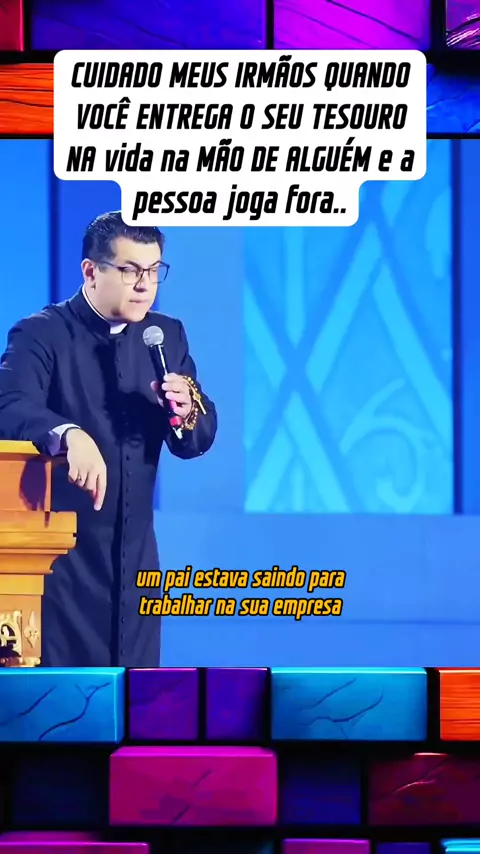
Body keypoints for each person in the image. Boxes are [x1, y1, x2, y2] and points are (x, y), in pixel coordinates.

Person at [0, 211, 217, 667]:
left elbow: (196, 438)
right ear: (90, 271)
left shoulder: (167, 335)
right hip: (59, 566)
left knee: (135, 699)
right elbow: (10, 405)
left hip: (137, 562)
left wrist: (185, 414)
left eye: (153, 270)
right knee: (63, 700)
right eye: (130, 270)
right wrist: (68, 434)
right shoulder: (41, 333)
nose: (144, 285)